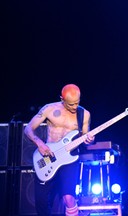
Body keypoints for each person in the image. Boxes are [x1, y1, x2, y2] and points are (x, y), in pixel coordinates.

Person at [24, 84, 95, 216]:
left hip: (70, 159)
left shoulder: (84, 114)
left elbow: (86, 136)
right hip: (49, 157)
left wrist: (89, 139)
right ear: (62, 99)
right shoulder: (49, 109)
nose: (74, 107)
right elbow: (28, 129)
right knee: (41, 201)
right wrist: (39, 143)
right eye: (70, 104)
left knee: (69, 198)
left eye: (77, 103)